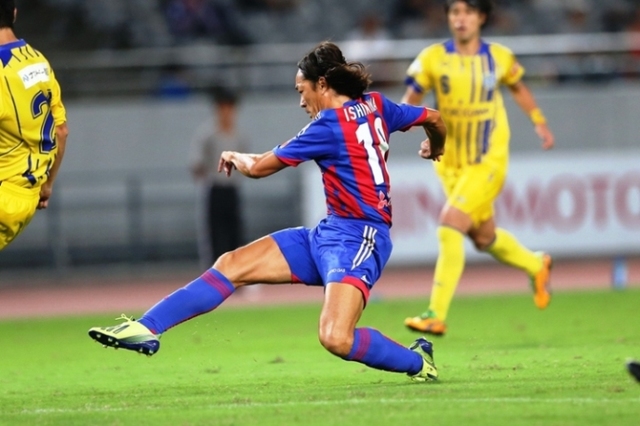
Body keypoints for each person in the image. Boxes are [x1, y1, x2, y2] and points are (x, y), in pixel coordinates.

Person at [88, 41, 447, 383]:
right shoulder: (376, 104)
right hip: (328, 233)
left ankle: (418, 361)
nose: (301, 101)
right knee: (231, 264)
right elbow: (434, 118)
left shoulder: (327, 126)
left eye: (301, 90)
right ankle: (146, 328)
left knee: (336, 337)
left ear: (322, 84)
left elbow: (259, 168)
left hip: (360, 238)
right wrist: (435, 147)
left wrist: (234, 156)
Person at [401, 0, 555, 336]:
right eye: (455, 12)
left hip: (488, 159)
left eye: (468, 12)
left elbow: (518, 87)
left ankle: (435, 313)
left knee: (450, 223)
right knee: (483, 237)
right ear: (448, 18)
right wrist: (413, 128)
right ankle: (536, 264)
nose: (461, 19)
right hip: (449, 161)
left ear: (481, 17)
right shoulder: (432, 58)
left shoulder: (499, 57)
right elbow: (410, 99)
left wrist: (539, 122)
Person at [0, 0, 68, 251]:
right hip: (27, 197)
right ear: (14, 14)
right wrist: (47, 185)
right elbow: (61, 131)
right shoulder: (39, 61)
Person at [189, 86, 247, 269]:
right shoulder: (208, 135)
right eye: (223, 107)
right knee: (215, 235)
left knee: (235, 234)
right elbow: (197, 163)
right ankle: (215, 274)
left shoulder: (239, 136)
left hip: (232, 189)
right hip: (215, 188)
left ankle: (236, 274)